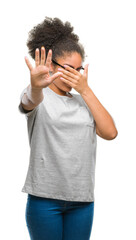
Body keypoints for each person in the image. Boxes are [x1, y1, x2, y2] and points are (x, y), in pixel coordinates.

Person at [18, 17, 118, 240]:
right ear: (52, 65)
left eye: (78, 69)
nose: (74, 75)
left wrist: (85, 91)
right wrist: (35, 86)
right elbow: (28, 102)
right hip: (44, 200)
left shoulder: (85, 101)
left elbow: (110, 133)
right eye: (68, 68)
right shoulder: (39, 95)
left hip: (82, 201)